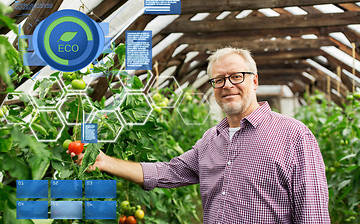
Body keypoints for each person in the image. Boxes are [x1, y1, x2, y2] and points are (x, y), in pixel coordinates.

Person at [70, 47, 330, 223]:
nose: (227, 85)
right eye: (219, 80)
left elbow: (313, 214)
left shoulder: (293, 135)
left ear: (254, 81)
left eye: (236, 76)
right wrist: (104, 162)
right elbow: (168, 172)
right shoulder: (211, 140)